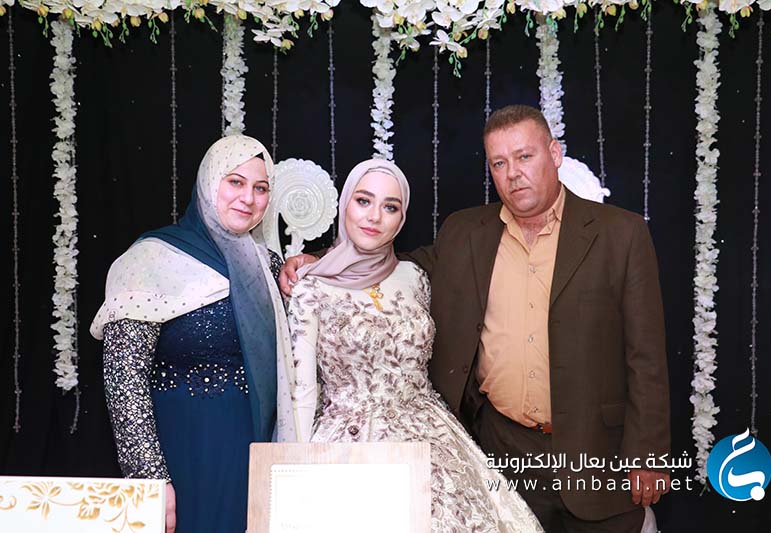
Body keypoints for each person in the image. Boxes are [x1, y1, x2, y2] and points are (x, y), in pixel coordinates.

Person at [281, 106, 671, 532]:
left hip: (595, 451)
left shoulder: (620, 233)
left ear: (555, 153)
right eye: (499, 163)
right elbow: (392, 265)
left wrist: (648, 455)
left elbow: (646, 355)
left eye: (524, 157)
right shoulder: (466, 232)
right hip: (503, 449)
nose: (513, 174)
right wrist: (318, 261)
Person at [278, 158, 544, 532]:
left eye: (390, 207)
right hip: (349, 443)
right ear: (345, 205)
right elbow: (302, 391)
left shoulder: (415, 276)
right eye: (363, 201)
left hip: (432, 439)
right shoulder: (311, 288)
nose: (374, 216)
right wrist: (294, 469)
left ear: (401, 219)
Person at [91, 135, 292, 533]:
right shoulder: (151, 259)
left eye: (261, 188)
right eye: (235, 182)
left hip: (257, 450)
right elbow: (124, 379)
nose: (248, 198)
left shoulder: (268, 265)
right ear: (209, 182)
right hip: (184, 451)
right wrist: (150, 479)